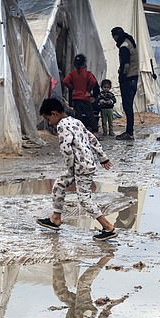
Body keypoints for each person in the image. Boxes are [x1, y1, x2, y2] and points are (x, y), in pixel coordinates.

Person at [35, 98, 118, 241]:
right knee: (59, 185)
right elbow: (92, 139)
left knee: (84, 199)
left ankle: (108, 227)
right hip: (84, 164)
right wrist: (102, 157)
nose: (49, 123)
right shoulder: (76, 122)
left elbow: (66, 149)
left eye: (48, 119)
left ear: (54, 114)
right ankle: (56, 218)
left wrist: (69, 168)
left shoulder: (61, 126)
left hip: (79, 167)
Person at [111, 26, 139, 141]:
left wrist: (121, 76)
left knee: (127, 107)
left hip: (128, 79)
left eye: (114, 37)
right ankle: (129, 131)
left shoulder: (123, 47)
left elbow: (126, 65)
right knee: (129, 106)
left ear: (117, 36)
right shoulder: (130, 42)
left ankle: (129, 132)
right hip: (134, 77)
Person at [62, 54, 99, 132]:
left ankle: (78, 130)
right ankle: (94, 129)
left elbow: (65, 81)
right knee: (89, 114)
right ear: (84, 63)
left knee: (78, 115)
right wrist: (88, 90)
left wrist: (72, 88)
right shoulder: (88, 73)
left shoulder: (72, 74)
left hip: (75, 98)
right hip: (85, 97)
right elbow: (93, 81)